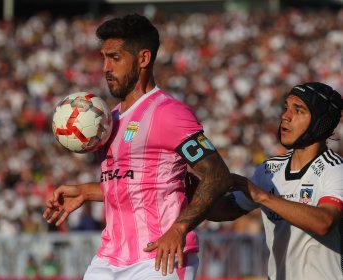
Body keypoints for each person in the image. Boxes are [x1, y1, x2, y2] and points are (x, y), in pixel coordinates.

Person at [43, 14, 232, 280]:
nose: (106, 67)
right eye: (104, 57)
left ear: (143, 59)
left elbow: (218, 175)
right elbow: (139, 184)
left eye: (115, 57)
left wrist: (179, 228)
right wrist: (85, 192)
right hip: (108, 258)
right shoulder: (107, 120)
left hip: (159, 258)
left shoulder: (169, 113)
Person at [204, 82, 343, 280]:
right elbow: (224, 211)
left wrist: (262, 197)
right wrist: (194, 194)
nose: (285, 116)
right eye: (286, 108)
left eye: (299, 110)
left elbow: (324, 222)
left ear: (320, 122)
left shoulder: (335, 169)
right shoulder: (270, 170)